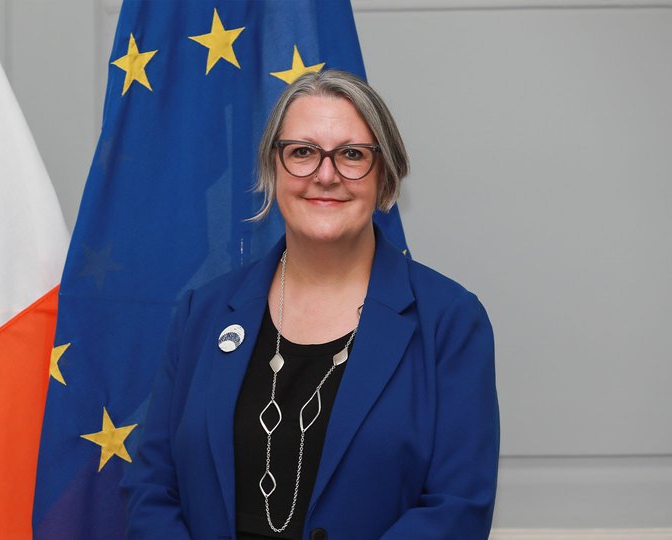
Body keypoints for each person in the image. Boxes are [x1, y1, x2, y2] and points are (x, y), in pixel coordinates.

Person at [121, 70, 499, 540]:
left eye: (352, 154)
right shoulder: (205, 312)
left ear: (385, 176)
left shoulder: (451, 322)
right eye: (302, 152)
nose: (325, 174)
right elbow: (152, 487)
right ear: (272, 168)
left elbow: (457, 508)